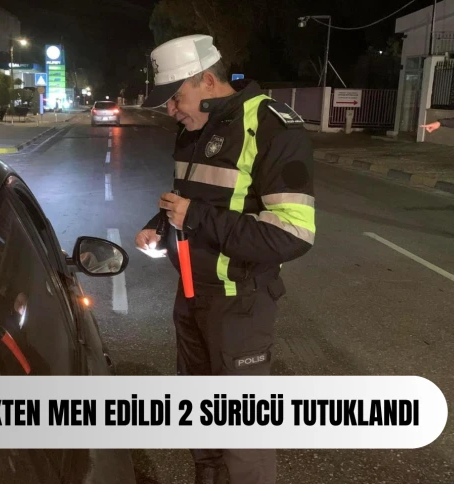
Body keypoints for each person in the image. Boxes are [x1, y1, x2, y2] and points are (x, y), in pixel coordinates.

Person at [135, 35, 316, 484]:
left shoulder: (272, 126)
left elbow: (293, 234)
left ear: (207, 81)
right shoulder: (194, 127)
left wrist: (194, 216)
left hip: (240, 303)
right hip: (190, 294)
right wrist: (161, 224)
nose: (171, 110)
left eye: (175, 97)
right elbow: (193, 197)